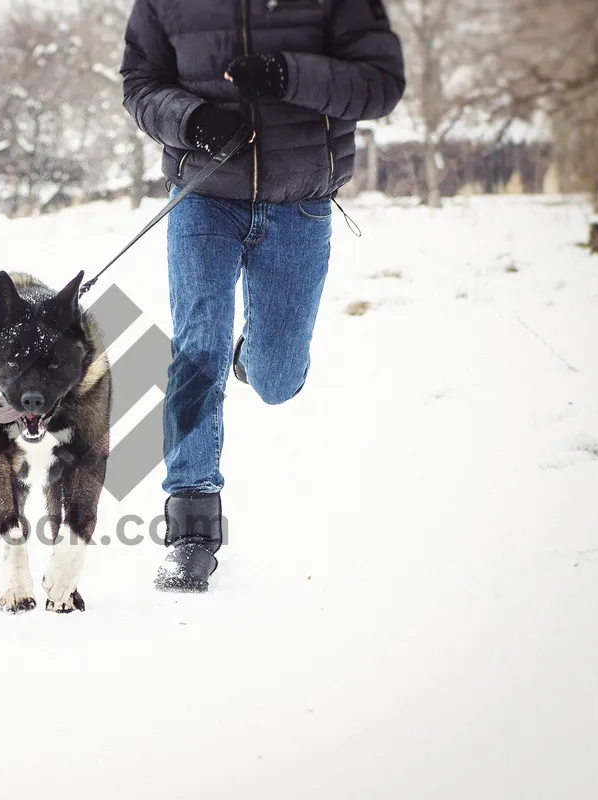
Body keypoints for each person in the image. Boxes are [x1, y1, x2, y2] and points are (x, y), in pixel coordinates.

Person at [120, 0, 406, 592]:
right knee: (198, 348)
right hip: (202, 194)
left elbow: (380, 85)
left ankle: (256, 355)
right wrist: (192, 119)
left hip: (300, 201)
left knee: (277, 381)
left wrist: (288, 76)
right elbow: (141, 82)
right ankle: (191, 530)